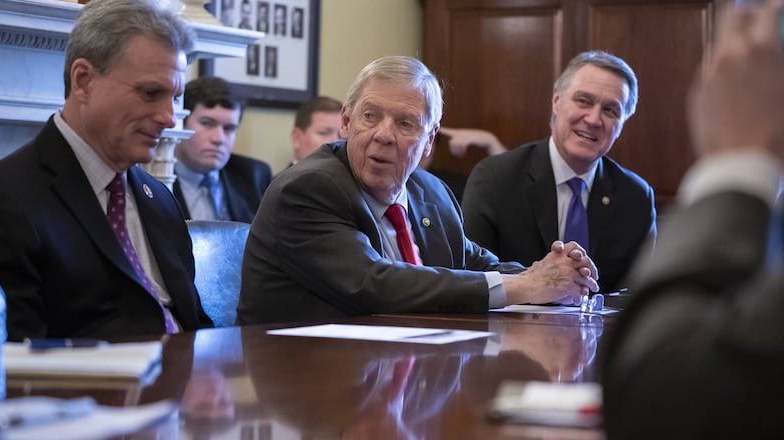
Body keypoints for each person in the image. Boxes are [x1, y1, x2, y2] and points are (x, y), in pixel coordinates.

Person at [236, 55, 599, 325]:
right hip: (299, 382)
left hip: (399, 370)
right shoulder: (307, 189)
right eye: (370, 116)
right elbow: (375, 283)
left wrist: (552, 278)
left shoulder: (430, 191)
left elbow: (471, 262)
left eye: (406, 123)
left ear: (429, 142)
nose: (383, 134)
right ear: (346, 123)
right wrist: (526, 287)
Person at [602, 0, 784, 437]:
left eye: (610, 109)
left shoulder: (632, 191)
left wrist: (736, 160)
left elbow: (665, 392)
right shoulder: (500, 175)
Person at [0, 0, 212, 341]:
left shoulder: (160, 201)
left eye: (174, 98)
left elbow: (196, 324)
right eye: (151, 93)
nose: (169, 118)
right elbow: (17, 359)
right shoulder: (6, 197)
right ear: (83, 80)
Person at [461, 50, 656, 293]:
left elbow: (637, 294)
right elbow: (473, 276)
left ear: (622, 124)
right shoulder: (495, 179)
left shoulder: (635, 197)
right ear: (556, 101)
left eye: (610, 110)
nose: (594, 119)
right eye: (583, 101)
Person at [173, 76, 272, 223]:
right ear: (180, 124)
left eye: (229, 128)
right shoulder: (153, 179)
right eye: (207, 123)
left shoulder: (254, 175)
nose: (218, 139)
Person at [290, 95, 343, 165]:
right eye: (324, 133)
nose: (336, 142)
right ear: (297, 138)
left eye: (342, 135)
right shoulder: (285, 176)